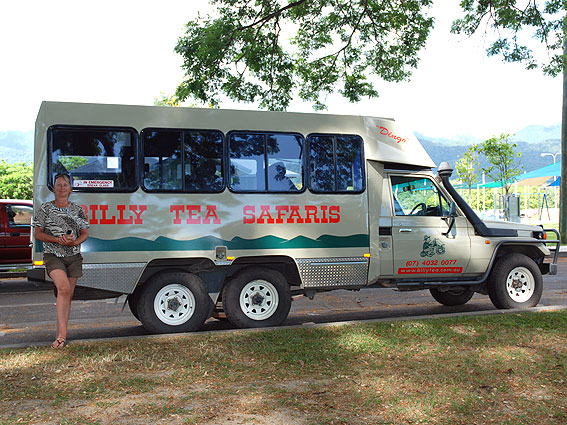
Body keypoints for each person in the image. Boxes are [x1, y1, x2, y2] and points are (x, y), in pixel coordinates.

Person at [34, 173, 89, 348]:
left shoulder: (77, 209)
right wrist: (57, 240)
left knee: (67, 296)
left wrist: (74, 242)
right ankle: (62, 337)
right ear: (54, 187)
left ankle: (60, 336)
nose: (62, 187)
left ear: (70, 188)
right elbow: (38, 233)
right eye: (59, 184)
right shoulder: (45, 209)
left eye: (65, 184)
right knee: (63, 289)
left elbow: (85, 233)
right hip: (53, 256)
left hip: (73, 257)